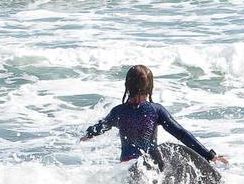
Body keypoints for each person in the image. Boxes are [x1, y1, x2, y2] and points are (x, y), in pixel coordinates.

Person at [80, 64, 227, 167]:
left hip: (126, 167)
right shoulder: (156, 110)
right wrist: (209, 155)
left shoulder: (118, 112)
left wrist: (88, 135)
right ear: (150, 87)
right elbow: (181, 134)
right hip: (151, 166)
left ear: (127, 86)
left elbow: (101, 127)